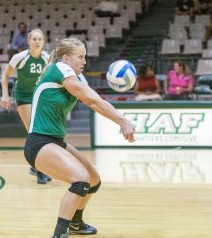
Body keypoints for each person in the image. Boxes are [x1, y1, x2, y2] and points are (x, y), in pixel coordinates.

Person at [23, 37, 135, 238]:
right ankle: (59, 234)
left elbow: (95, 101)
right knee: (80, 180)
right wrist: (122, 121)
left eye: (85, 57)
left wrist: (120, 119)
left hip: (55, 141)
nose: (84, 61)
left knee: (93, 180)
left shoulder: (75, 76)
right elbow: (92, 100)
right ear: (66, 58)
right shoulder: (59, 68)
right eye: (80, 57)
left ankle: (75, 223)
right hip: (39, 143)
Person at [0, 29, 51, 184]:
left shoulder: (47, 58)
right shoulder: (20, 57)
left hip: (38, 97)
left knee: (42, 131)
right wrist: (5, 95)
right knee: (33, 131)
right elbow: (5, 75)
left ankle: (35, 167)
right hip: (23, 96)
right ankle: (39, 170)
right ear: (29, 41)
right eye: (34, 39)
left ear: (43, 42)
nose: (37, 41)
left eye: (39, 39)